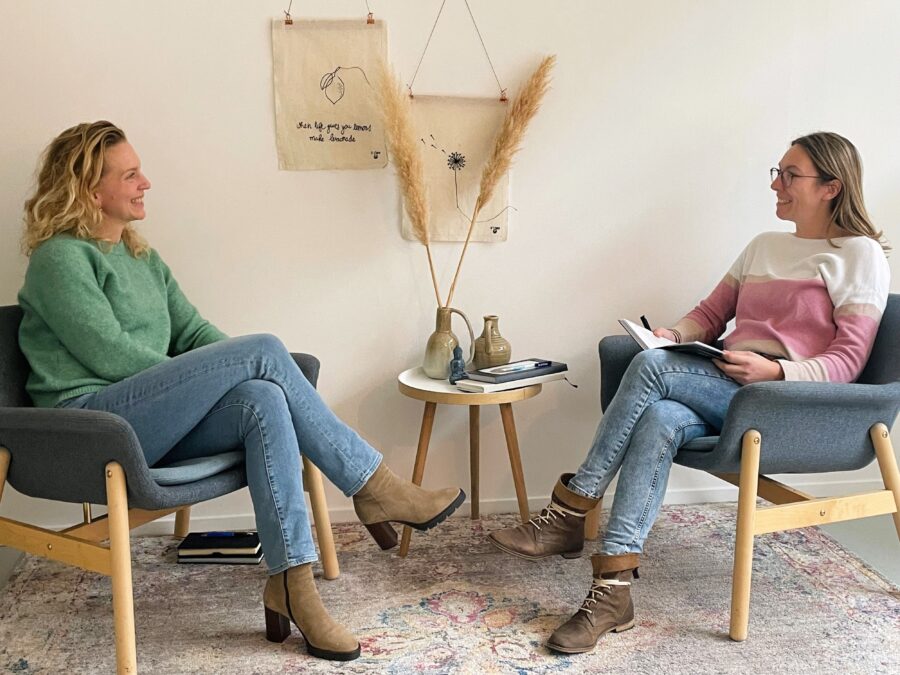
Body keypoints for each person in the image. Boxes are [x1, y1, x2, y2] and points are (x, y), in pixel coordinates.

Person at [17, 121, 466, 662]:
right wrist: (213, 374)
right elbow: (109, 356)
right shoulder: (60, 259)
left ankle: (292, 583)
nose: (146, 183)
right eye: (130, 174)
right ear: (92, 191)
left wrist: (232, 372)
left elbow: (194, 334)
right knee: (263, 351)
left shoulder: (141, 258)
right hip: (91, 425)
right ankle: (375, 485)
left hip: (150, 422)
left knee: (262, 397)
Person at [487, 131, 891, 654]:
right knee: (659, 416)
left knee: (652, 369)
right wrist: (673, 335)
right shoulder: (764, 247)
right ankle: (613, 591)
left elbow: (848, 362)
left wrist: (777, 373)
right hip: (724, 387)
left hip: (785, 405)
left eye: (790, 175)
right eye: (777, 172)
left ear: (831, 187)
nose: (776, 184)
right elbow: (710, 314)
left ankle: (571, 509)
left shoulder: (858, 256)